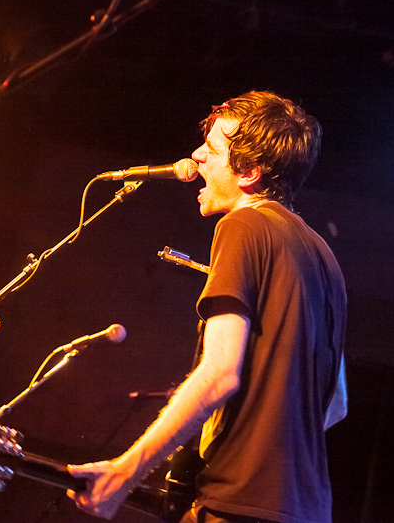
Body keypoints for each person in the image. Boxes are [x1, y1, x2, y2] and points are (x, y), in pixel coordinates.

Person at [67, 91, 348, 523]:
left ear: (250, 172)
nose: (196, 155)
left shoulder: (243, 224)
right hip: (306, 509)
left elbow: (220, 373)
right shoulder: (323, 255)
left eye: (213, 149)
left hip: (237, 505)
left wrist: (127, 470)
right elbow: (337, 403)